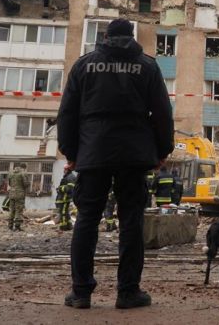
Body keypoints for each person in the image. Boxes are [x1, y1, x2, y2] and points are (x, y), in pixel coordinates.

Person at [56, 18, 173, 310]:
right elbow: (161, 112)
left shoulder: (84, 65)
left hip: (93, 151)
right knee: (131, 220)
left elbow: (68, 112)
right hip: (133, 153)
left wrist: (72, 153)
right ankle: (128, 291)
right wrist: (162, 150)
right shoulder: (147, 66)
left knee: (87, 219)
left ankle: (81, 292)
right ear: (131, 36)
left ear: (105, 36)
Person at [7, 162, 30, 231]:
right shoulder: (23, 173)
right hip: (20, 194)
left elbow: (10, 183)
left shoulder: (11, 173)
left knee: (12, 210)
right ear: (25, 167)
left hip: (11, 194)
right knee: (19, 210)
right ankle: (17, 226)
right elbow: (26, 184)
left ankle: (10, 225)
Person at [56, 167, 77, 231]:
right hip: (62, 198)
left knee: (63, 213)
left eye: (65, 169)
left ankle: (63, 227)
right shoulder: (67, 176)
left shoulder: (70, 177)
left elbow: (70, 188)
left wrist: (60, 188)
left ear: (68, 170)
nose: (64, 171)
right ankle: (69, 226)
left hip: (65, 198)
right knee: (65, 212)